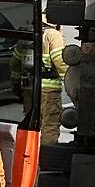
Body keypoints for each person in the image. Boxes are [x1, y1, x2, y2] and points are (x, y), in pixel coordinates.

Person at [10, 13, 67, 145]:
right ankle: (45, 159)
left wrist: (16, 83)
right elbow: (60, 61)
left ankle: (28, 157)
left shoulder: (28, 35)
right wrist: (71, 84)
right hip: (48, 91)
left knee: (31, 125)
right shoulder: (52, 35)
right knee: (49, 126)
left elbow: (14, 62)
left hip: (29, 88)